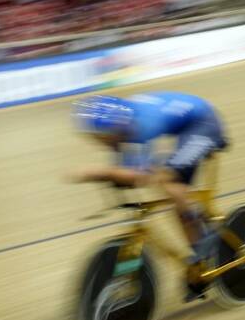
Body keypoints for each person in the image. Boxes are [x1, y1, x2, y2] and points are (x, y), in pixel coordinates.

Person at [71, 92, 228, 301]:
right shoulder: (123, 126)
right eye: (95, 138)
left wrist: (100, 173)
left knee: (169, 180)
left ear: (115, 127)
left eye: (102, 137)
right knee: (169, 186)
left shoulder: (142, 124)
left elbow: (140, 176)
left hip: (204, 123)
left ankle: (206, 240)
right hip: (186, 128)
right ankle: (200, 262)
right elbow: (127, 173)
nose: (100, 143)